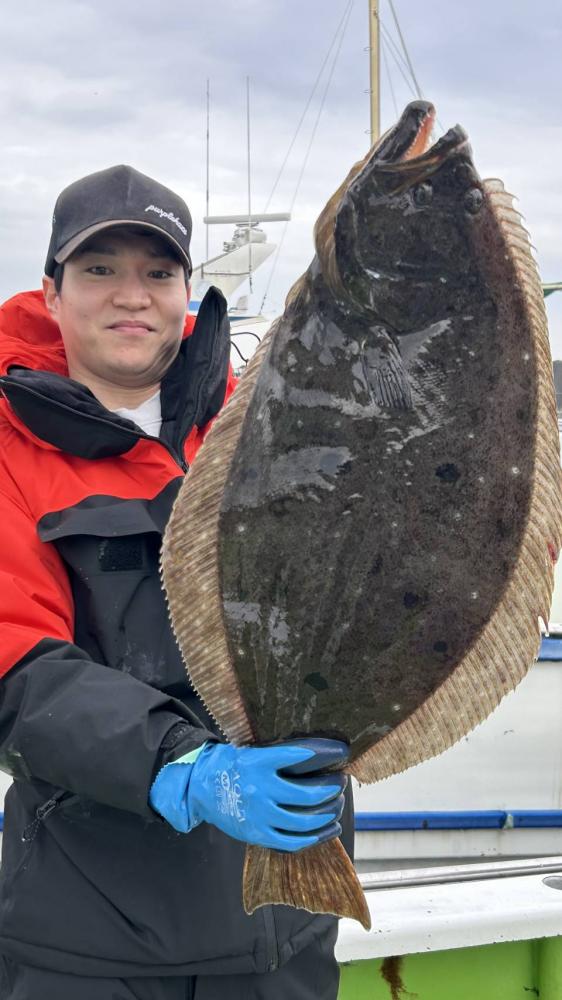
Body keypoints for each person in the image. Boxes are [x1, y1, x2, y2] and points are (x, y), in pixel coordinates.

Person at [0, 165, 354, 999]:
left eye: (158, 273)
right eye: (99, 270)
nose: (132, 296)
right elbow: (14, 663)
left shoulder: (269, 422)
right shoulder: (11, 448)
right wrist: (180, 765)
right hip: (90, 943)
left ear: (185, 291)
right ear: (51, 292)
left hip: (290, 922)